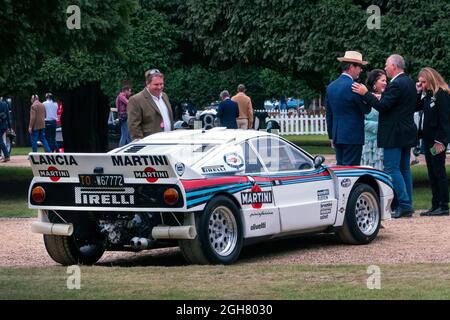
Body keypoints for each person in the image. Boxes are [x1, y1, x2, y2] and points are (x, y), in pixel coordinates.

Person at [352, 54, 417, 218]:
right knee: (404, 169)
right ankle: (408, 203)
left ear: (394, 66)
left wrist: (365, 93)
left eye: (387, 65)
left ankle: (404, 204)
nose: (385, 67)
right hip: (406, 131)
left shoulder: (395, 84)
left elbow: (383, 106)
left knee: (391, 168)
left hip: (394, 133)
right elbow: (397, 104)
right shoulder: (408, 82)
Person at [325, 51, 371, 166]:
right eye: (359, 67)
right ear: (351, 67)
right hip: (352, 136)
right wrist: (366, 95)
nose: (361, 70)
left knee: (341, 169)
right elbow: (366, 110)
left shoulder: (331, 87)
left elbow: (329, 114)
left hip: (337, 135)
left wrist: (331, 136)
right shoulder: (354, 87)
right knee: (351, 171)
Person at [415, 67, 450, 216]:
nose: (422, 84)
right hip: (427, 140)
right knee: (432, 173)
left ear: (431, 79)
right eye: (420, 82)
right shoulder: (428, 95)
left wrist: (440, 141)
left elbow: (445, 121)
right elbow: (415, 107)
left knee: (439, 172)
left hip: (437, 141)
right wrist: (418, 91)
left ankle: (443, 205)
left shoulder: (442, 95)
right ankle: (435, 204)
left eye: (423, 82)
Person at [128, 69, 174, 140]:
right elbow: (134, 127)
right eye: (156, 84)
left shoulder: (165, 96)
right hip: (150, 145)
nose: (159, 87)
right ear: (147, 83)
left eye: (161, 84)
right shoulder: (136, 100)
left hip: (168, 142)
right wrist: (141, 145)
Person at [361, 69, 387, 170]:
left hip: (382, 142)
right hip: (367, 142)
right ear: (374, 82)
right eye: (382, 80)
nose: (385, 83)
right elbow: (360, 120)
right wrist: (378, 126)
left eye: (386, 81)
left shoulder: (388, 97)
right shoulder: (364, 97)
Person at [0, 97, 11, 162]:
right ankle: (5, 156)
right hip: (4, 125)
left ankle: (6, 156)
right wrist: (9, 126)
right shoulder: (5, 104)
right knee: (2, 141)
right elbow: (8, 116)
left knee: (1, 141)